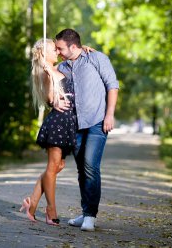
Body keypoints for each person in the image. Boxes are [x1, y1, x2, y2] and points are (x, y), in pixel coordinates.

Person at [54, 29, 119, 232]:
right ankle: (85, 212)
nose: (57, 52)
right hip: (73, 125)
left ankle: (91, 215)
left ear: (73, 46)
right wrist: (55, 101)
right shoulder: (60, 67)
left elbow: (112, 85)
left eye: (60, 48)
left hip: (97, 121)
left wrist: (110, 114)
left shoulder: (96, 58)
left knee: (91, 166)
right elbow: (51, 93)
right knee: (82, 169)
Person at [19, 38, 77, 226]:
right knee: (53, 167)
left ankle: (32, 203)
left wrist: (84, 49)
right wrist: (49, 73)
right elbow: (51, 98)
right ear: (44, 54)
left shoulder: (57, 68)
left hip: (67, 122)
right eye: (54, 50)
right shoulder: (46, 73)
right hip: (58, 123)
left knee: (57, 167)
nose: (58, 52)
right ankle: (51, 210)